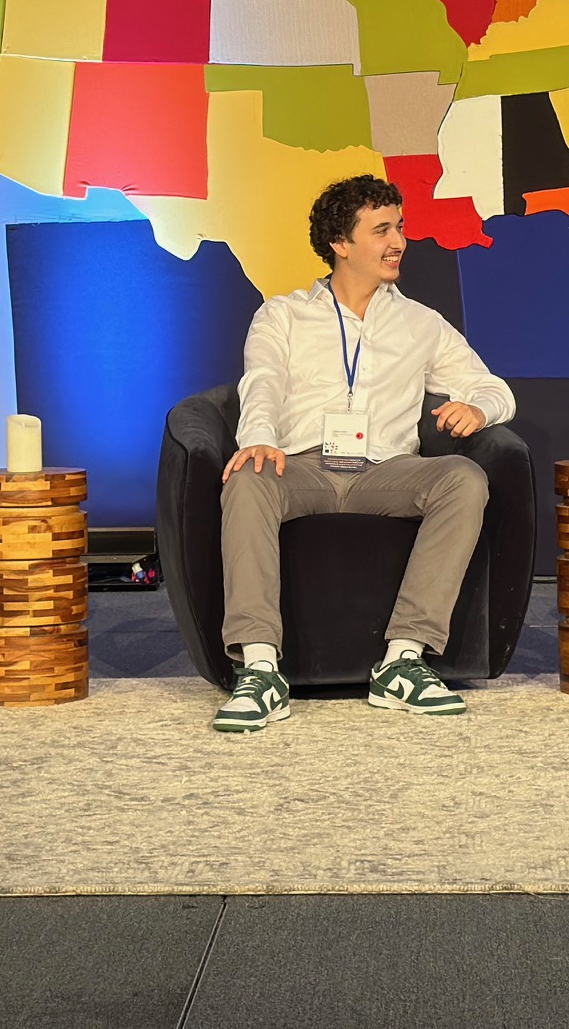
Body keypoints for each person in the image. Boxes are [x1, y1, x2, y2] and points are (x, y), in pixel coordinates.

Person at [213, 176, 517, 734]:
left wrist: (479, 410)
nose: (398, 240)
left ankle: (403, 659)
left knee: (464, 477)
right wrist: (257, 437)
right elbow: (261, 383)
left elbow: (494, 387)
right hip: (300, 465)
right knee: (249, 476)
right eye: (382, 230)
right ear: (340, 242)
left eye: (399, 227)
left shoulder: (421, 323)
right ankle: (259, 670)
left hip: (387, 470)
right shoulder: (282, 315)